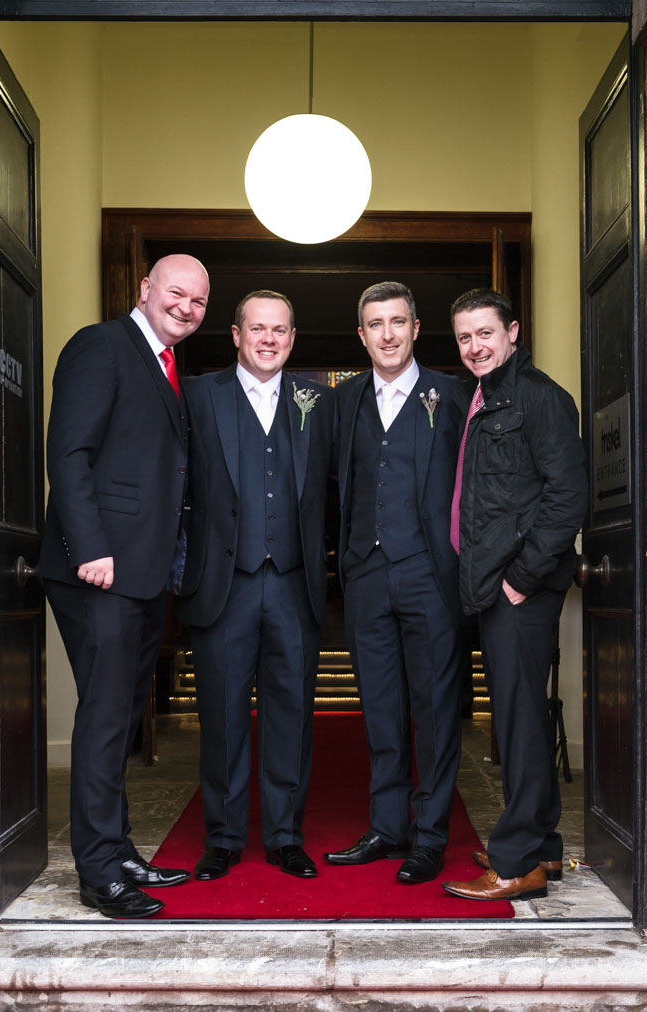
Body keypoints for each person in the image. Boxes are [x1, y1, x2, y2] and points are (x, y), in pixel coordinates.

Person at [36, 254, 209, 919]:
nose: (186, 307)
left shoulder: (165, 365)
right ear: (145, 289)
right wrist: (91, 548)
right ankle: (100, 873)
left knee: (122, 715)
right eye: (176, 293)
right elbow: (68, 452)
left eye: (198, 301)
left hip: (142, 573)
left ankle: (119, 848)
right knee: (106, 718)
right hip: (99, 570)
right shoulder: (101, 346)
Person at [175, 290, 336, 883]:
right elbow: (174, 482)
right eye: (258, 328)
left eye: (280, 330)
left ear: (292, 339)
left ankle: (285, 836)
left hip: (293, 585)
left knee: (291, 716)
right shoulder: (197, 396)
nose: (269, 339)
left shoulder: (320, 401)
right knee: (221, 716)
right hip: (223, 584)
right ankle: (222, 838)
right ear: (236, 335)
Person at [440, 287, 587, 903]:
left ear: (512, 332)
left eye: (485, 333)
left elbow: (568, 497)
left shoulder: (540, 398)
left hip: (518, 588)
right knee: (521, 716)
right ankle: (544, 849)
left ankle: (516, 864)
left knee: (519, 725)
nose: (475, 346)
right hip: (493, 585)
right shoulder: (484, 395)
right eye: (465, 337)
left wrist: (521, 579)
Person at [322, 281, 466, 885]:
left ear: (415, 328)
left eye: (398, 322)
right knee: (380, 709)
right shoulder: (342, 400)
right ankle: (387, 827)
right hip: (366, 575)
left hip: (431, 574)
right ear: (362, 335)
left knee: (434, 710)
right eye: (376, 324)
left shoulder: (452, 395)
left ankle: (429, 836)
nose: (388, 334)